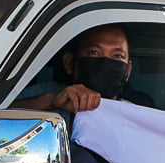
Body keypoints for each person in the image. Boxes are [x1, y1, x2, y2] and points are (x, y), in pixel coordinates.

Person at [13, 24, 153, 114]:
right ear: (69, 62)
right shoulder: (46, 94)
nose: (105, 63)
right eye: (94, 53)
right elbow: (1, 114)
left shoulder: (135, 115)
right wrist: (50, 101)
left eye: (117, 56)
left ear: (128, 71)